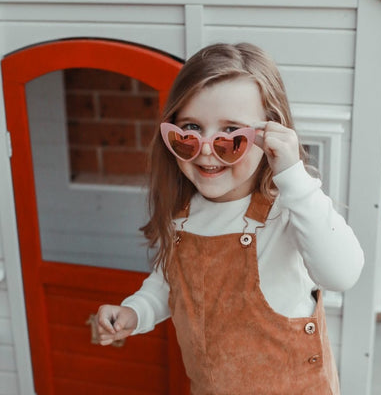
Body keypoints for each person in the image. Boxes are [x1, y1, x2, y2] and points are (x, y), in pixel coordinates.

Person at [96, 42, 364, 395]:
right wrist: (136, 312)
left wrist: (295, 178)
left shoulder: (287, 211)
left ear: (268, 136)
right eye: (189, 131)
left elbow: (342, 273)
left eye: (230, 137)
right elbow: (170, 283)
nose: (206, 149)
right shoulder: (183, 215)